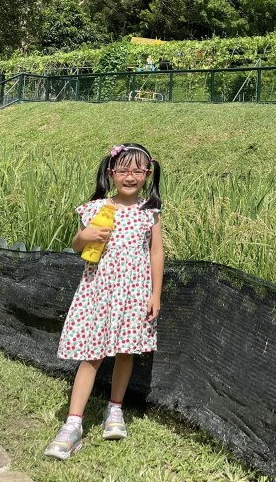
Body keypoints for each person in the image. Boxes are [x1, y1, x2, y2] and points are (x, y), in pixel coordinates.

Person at [44, 142, 165, 460]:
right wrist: (84, 238)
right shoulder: (96, 208)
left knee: (126, 352)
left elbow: (156, 252)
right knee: (91, 355)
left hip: (134, 293)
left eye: (138, 169)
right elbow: (76, 245)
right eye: (123, 169)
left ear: (147, 174)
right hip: (98, 291)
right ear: (111, 172)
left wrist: (155, 294)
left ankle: (115, 410)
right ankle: (73, 424)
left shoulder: (150, 213)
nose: (130, 175)